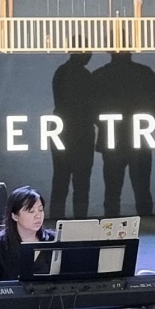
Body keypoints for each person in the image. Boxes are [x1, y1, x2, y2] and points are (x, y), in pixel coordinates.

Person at [93, 51, 155, 216]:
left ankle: (110, 225)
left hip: (114, 139)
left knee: (112, 190)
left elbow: (91, 109)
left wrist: (105, 125)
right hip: (139, 138)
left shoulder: (100, 75)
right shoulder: (144, 73)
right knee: (142, 188)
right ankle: (145, 223)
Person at [49, 51, 96, 219]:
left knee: (60, 179)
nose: (90, 55)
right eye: (87, 52)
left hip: (61, 129)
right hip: (80, 132)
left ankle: (56, 219)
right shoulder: (84, 75)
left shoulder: (61, 72)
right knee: (81, 181)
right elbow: (90, 106)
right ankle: (80, 220)